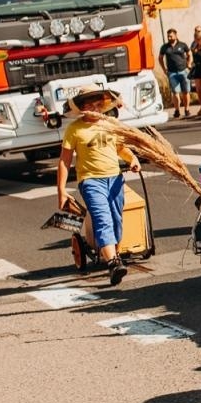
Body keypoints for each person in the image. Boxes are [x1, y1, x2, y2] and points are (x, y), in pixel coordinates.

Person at [56, 84, 140, 287]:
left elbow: (121, 148)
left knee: (116, 221)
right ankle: (113, 263)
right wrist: (61, 191)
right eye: (89, 105)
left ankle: (114, 256)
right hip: (91, 181)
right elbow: (64, 161)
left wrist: (133, 159)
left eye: (97, 104)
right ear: (82, 107)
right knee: (103, 220)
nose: (94, 108)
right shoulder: (74, 129)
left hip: (115, 180)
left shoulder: (110, 123)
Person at [158, 28, 191, 119]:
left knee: (186, 91)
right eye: (168, 36)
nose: (169, 37)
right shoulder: (165, 47)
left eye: (171, 36)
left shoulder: (182, 45)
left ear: (176, 36)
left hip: (183, 71)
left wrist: (189, 63)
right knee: (175, 92)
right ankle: (177, 110)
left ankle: (187, 109)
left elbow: (189, 54)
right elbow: (160, 58)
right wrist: (164, 69)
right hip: (172, 73)